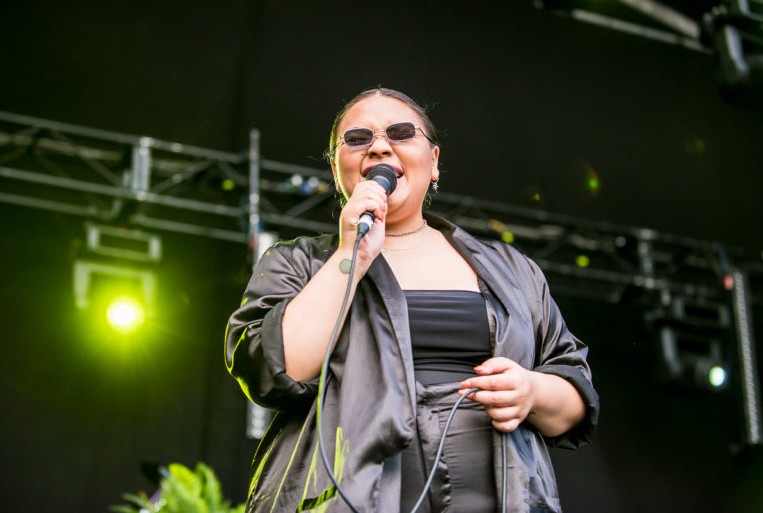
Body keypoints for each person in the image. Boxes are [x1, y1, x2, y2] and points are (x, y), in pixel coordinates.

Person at [225, 87, 600, 513]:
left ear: (434, 161)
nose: (379, 146)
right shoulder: (297, 262)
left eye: (400, 133)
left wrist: (531, 391)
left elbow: (575, 393)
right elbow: (278, 369)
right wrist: (351, 256)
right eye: (357, 138)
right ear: (336, 168)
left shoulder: (512, 270)